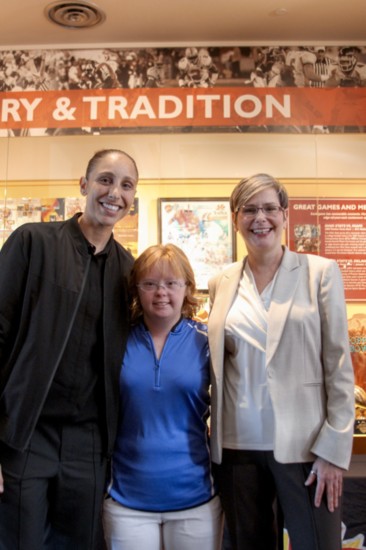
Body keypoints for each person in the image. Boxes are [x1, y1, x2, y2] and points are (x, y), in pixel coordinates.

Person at [0, 148, 139, 549]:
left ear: (133, 199)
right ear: (84, 185)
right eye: (105, 180)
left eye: (126, 185)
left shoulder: (129, 271)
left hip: (89, 444)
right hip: (24, 433)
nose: (114, 192)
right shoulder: (32, 243)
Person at [207, 173, 355, 550]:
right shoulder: (222, 281)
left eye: (270, 208)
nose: (261, 218)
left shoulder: (320, 273)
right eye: (250, 210)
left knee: (316, 544)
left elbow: (338, 366)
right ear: (235, 218)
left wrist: (334, 451)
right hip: (237, 446)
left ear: (285, 215)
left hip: (306, 446)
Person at [103, 243, 223, 550]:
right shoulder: (117, 340)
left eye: (172, 283)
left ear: (187, 288)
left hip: (195, 499)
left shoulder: (207, 341)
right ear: (136, 290)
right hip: (126, 499)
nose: (161, 293)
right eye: (150, 284)